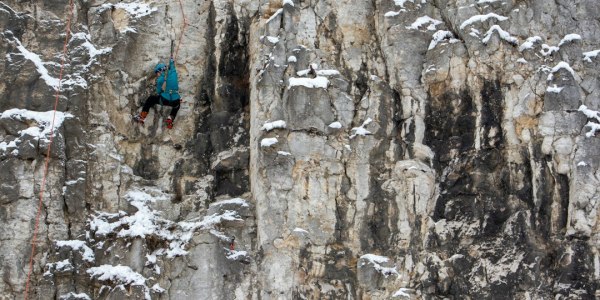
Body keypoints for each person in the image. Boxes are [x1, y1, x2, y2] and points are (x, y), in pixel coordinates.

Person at [134, 58, 181, 129]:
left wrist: (163, 92)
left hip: (165, 100)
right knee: (177, 106)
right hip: (176, 101)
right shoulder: (174, 73)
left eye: (157, 73)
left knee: (151, 99)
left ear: (160, 71)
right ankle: (170, 119)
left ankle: (142, 116)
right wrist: (171, 62)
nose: (157, 75)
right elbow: (172, 67)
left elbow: (159, 91)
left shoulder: (160, 79)